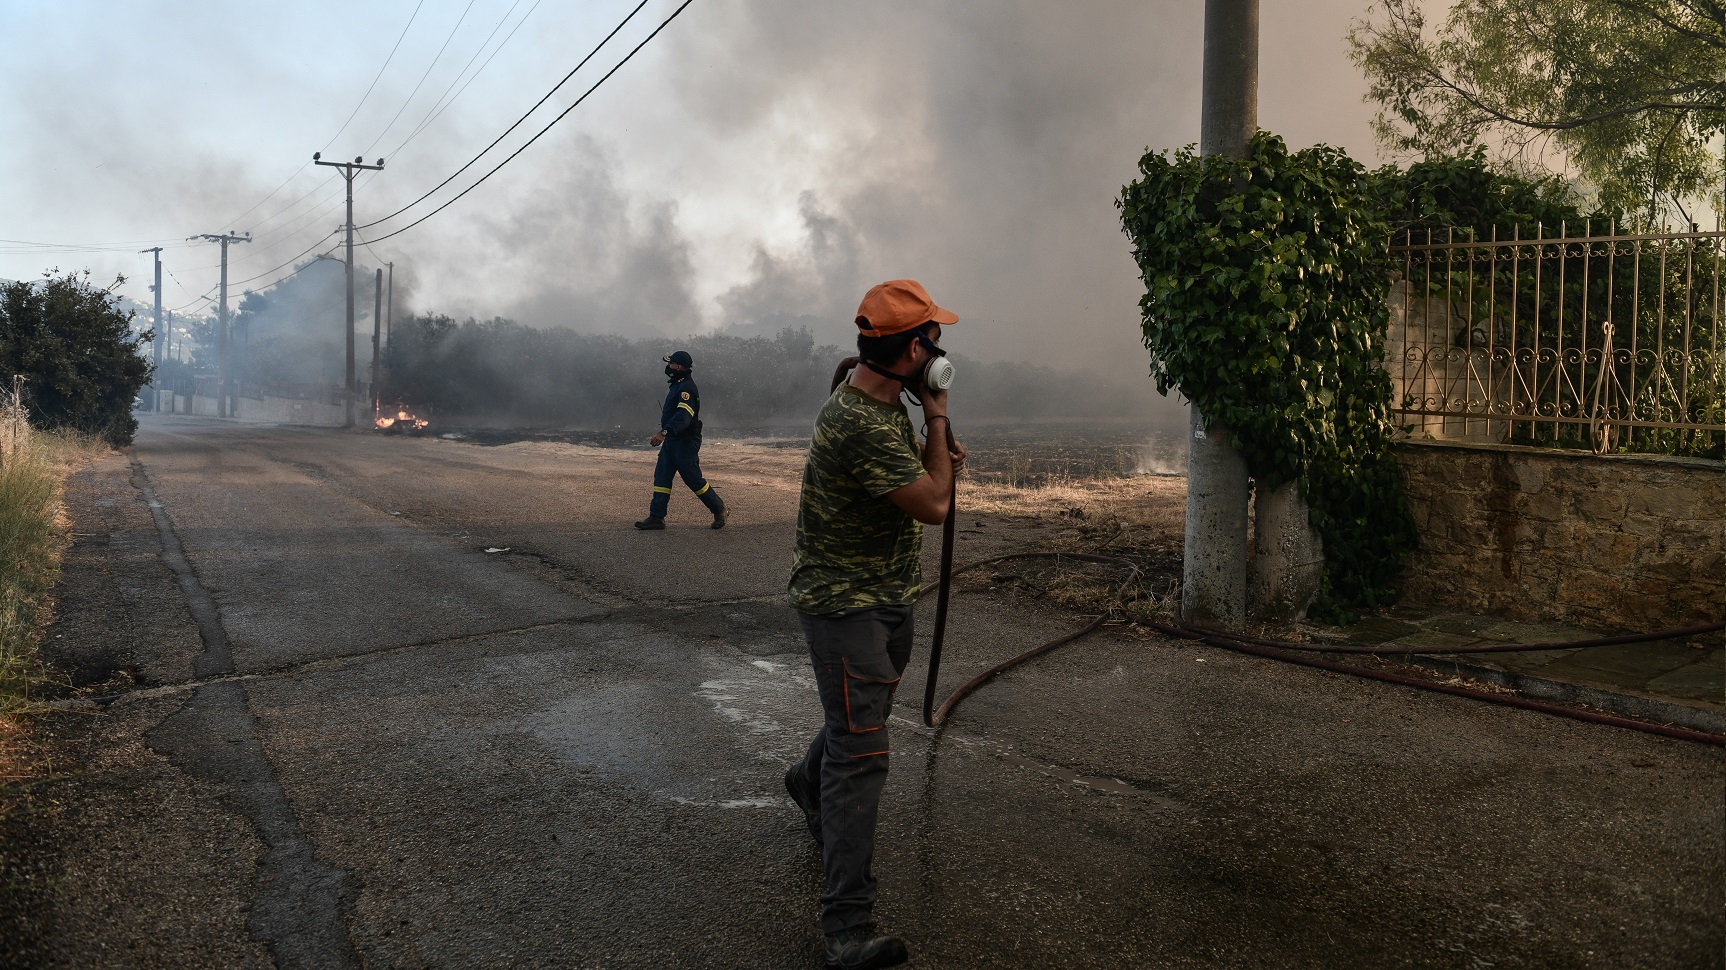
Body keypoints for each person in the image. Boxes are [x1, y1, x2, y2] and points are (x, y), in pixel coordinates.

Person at [782, 279, 965, 970]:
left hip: (887, 595)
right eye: (935, 341)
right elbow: (935, 507)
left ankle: (807, 780)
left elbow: (918, 485)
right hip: (846, 604)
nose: (942, 355)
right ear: (915, 351)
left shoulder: (884, 403)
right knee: (862, 756)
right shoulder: (859, 418)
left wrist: (932, 447)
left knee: (858, 722)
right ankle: (847, 929)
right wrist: (939, 422)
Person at [634, 349, 726, 530]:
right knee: (662, 477)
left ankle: (719, 508)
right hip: (672, 441)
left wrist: (663, 433)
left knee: (693, 480)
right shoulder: (677, 384)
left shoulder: (686, 388)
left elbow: (683, 416)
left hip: (685, 442)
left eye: (671, 363)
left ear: (679, 367)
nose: (668, 366)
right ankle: (656, 517)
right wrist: (667, 435)